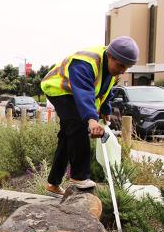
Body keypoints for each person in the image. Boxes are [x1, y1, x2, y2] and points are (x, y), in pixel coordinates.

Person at [40, 36, 139, 197]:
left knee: (67, 136)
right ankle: (79, 177)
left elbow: (105, 90)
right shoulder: (85, 62)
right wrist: (91, 119)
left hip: (76, 94)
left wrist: (105, 109)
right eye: (121, 65)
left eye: (127, 67)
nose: (123, 70)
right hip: (59, 89)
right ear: (110, 56)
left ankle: (53, 184)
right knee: (78, 125)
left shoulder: (112, 68)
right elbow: (84, 93)